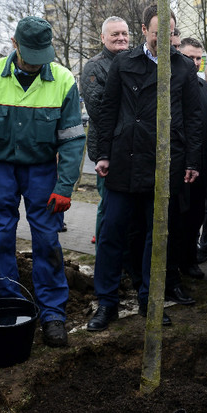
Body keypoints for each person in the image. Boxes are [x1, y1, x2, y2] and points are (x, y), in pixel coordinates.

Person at [87, 3, 202, 332]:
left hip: (164, 165)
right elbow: (107, 110)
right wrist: (103, 155)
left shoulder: (182, 68)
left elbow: (193, 119)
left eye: (168, 34)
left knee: (157, 238)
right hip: (124, 160)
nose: (161, 41)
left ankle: (150, 301)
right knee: (111, 235)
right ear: (143, 31)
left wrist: (192, 160)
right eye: (155, 34)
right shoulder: (124, 62)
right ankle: (106, 304)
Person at [0, 16, 86, 347]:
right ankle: (8, 305)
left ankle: (53, 314)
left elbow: (71, 139)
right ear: (14, 44)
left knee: (47, 241)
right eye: (29, 56)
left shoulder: (64, 80)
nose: (36, 65)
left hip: (41, 170)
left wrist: (64, 187)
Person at [80, 17, 129, 244]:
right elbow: (99, 110)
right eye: (114, 34)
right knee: (108, 204)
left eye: (124, 34)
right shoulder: (94, 66)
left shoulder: (133, 60)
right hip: (106, 148)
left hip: (129, 145)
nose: (121, 38)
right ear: (102, 37)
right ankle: (103, 249)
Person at [178, 37, 207, 279]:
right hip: (180, 166)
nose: (194, 62)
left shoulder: (205, 89)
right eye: (189, 57)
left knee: (195, 217)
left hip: (202, 167)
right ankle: (175, 262)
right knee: (179, 218)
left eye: (198, 58)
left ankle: (190, 260)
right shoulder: (172, 86)